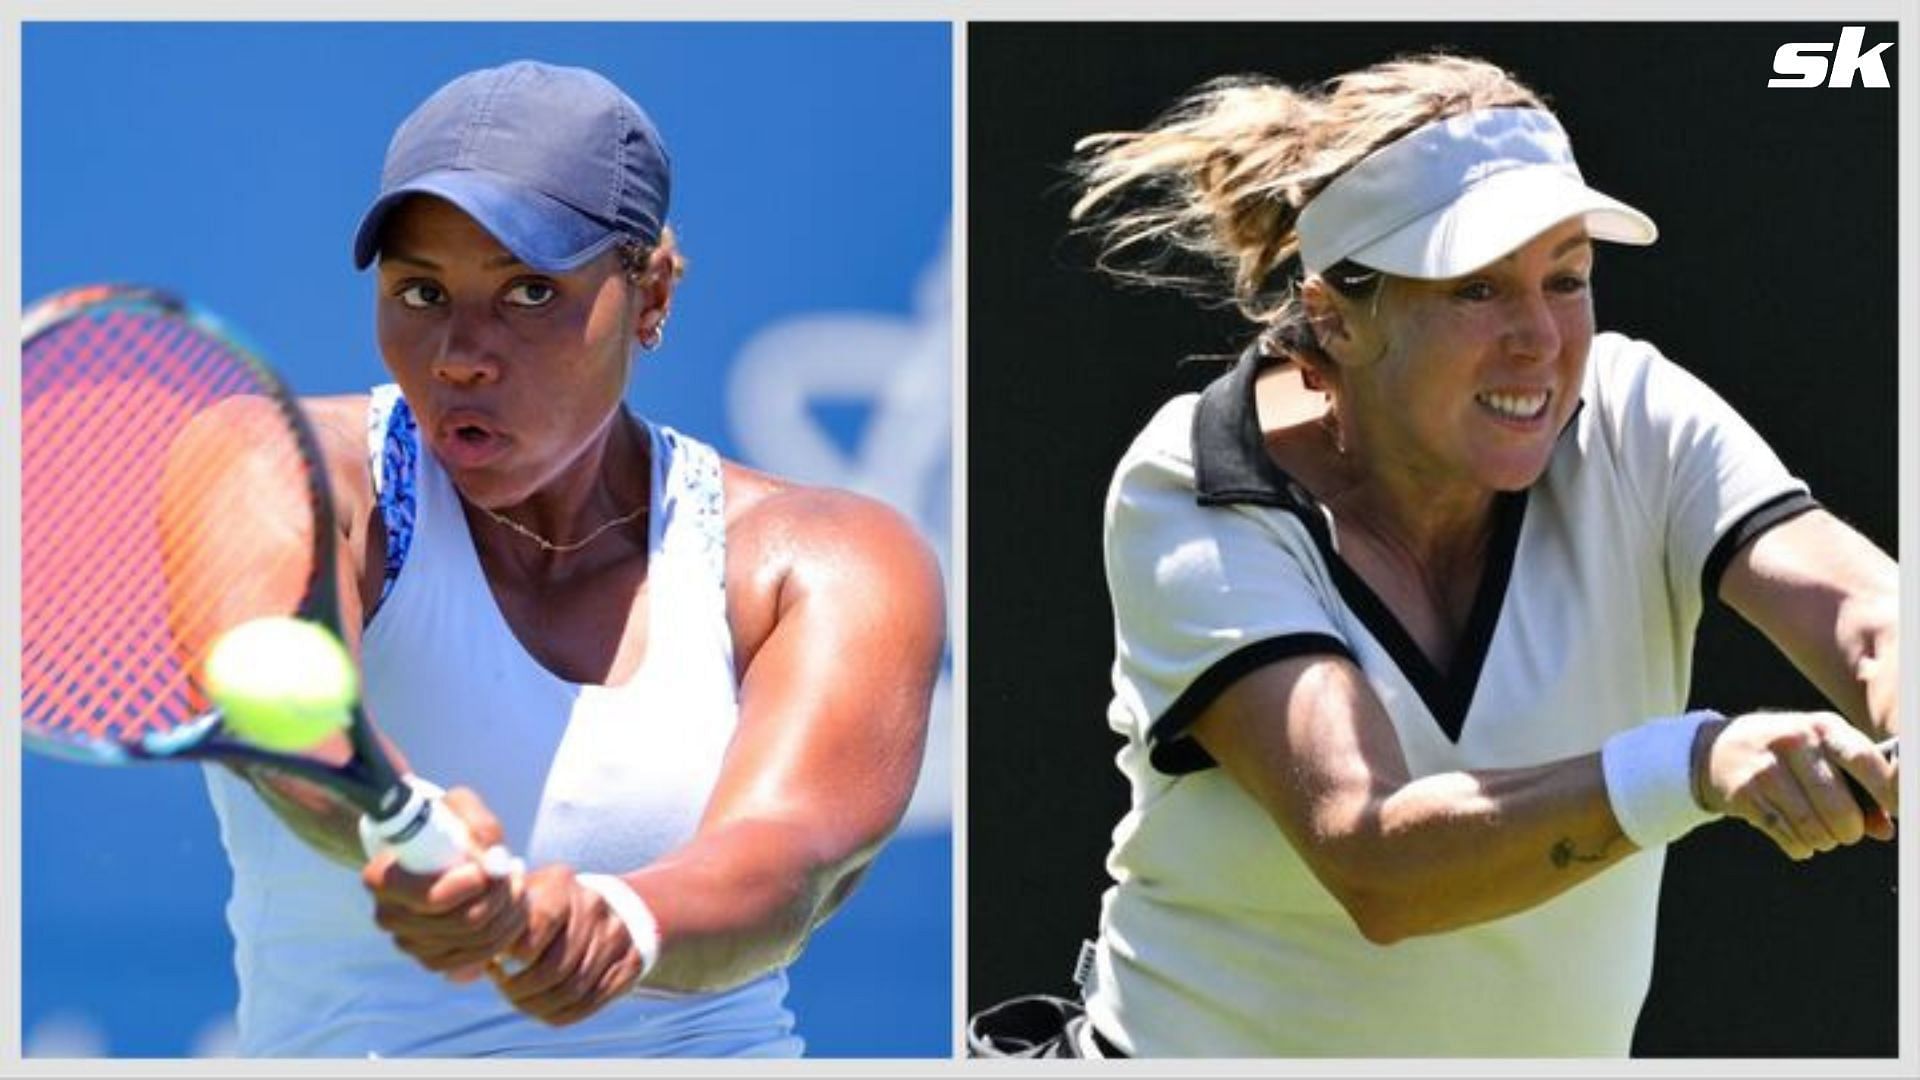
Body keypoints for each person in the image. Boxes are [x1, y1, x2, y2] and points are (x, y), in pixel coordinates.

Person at [974, 53, 1899, 1057]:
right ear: (1334, 314)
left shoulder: (1638, 415)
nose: (1539, 338)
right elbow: (1376, 858)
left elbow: (1868, 618)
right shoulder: (1193, 485)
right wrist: (1694, 763)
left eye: (1568, 278)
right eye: (1476, 291)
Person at [198, 60, 945, 1057]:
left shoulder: (829, 559)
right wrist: (398, 826)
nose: (462, 352)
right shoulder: (273, 461)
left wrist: (623, 925)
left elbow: (790, 862)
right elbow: (291, 726)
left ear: (651, 295)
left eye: (530, 291)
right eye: (421, 291)